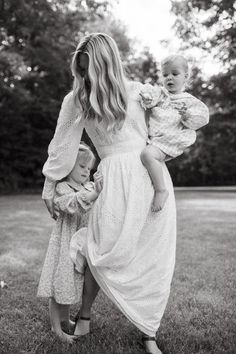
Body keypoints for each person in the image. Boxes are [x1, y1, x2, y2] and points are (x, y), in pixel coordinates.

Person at [42, 33, 177, 354]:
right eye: (81, 70)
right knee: (99, 249)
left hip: (149, 177)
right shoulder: (76, 100)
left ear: (106, 63)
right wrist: (50, 186)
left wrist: (163, 153)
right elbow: (62, 145)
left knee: (153, 256)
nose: (86, 77)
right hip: (112, 180)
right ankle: (84, 316)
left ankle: (148, 330)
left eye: (91, 69)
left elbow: (168, 129)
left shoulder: (139, 92)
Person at [37, 143, 102, 343]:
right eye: (81, 167)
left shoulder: (88, 186)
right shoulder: (62, 187)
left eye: (89, 169)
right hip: (65, 242)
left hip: (80, 245)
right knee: (60, 283)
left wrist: (99, 187)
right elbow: (71, 204)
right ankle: (56, 327)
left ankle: (65, 320)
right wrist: (92, 194)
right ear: (68, 166)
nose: (86, 172)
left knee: (70, 283)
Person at [140, 54, 209, 212]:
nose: (169, 78)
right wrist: (147, 98)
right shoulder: (161, 94)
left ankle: (161, 190)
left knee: (147, 155)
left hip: (168, 141)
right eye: (165, 75)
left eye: (174, 74)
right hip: (153, 136)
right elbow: (148, 101)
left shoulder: (189, 101)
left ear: (185, 76)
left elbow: (201, 118)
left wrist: (186, 115)